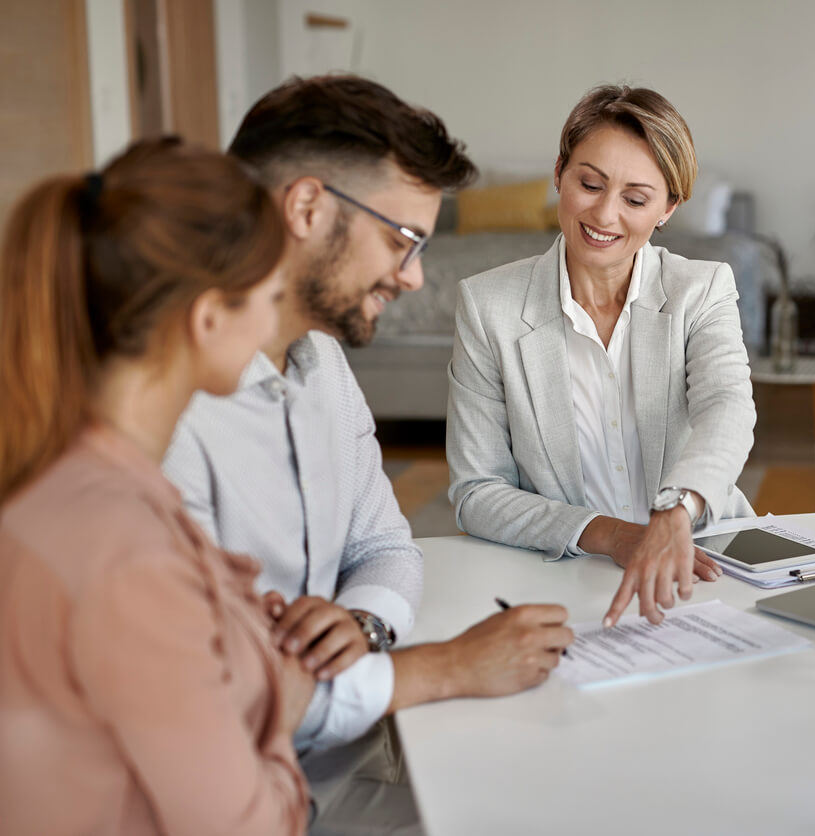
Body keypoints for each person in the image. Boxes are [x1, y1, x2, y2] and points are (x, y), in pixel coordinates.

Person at [162, 75, 573, 834]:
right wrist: (447, 668)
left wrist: (365, 624)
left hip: (351, 763)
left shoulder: (321, 361)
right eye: (402, 238)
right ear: (307, 208)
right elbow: (199, 706)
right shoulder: (164, 418)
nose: (415, 276)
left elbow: (385, 543)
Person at [0, 138, 309, 834]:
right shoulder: (127, 552)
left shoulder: (68, 477)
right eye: (272, 297)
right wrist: (283, 716)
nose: (276, 323)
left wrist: (227, 620)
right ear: (207, 319)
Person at [447, 84, 756, 629]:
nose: (605, 215)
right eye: (589, 184)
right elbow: (477, 492)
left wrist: (675, 514)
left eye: (635, 199)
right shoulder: (487, 305)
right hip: (561, 575)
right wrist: (612, 534)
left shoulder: (702, 289)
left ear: (668, 208)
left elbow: (727, 407)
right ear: (560, 173)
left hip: (703, 567)